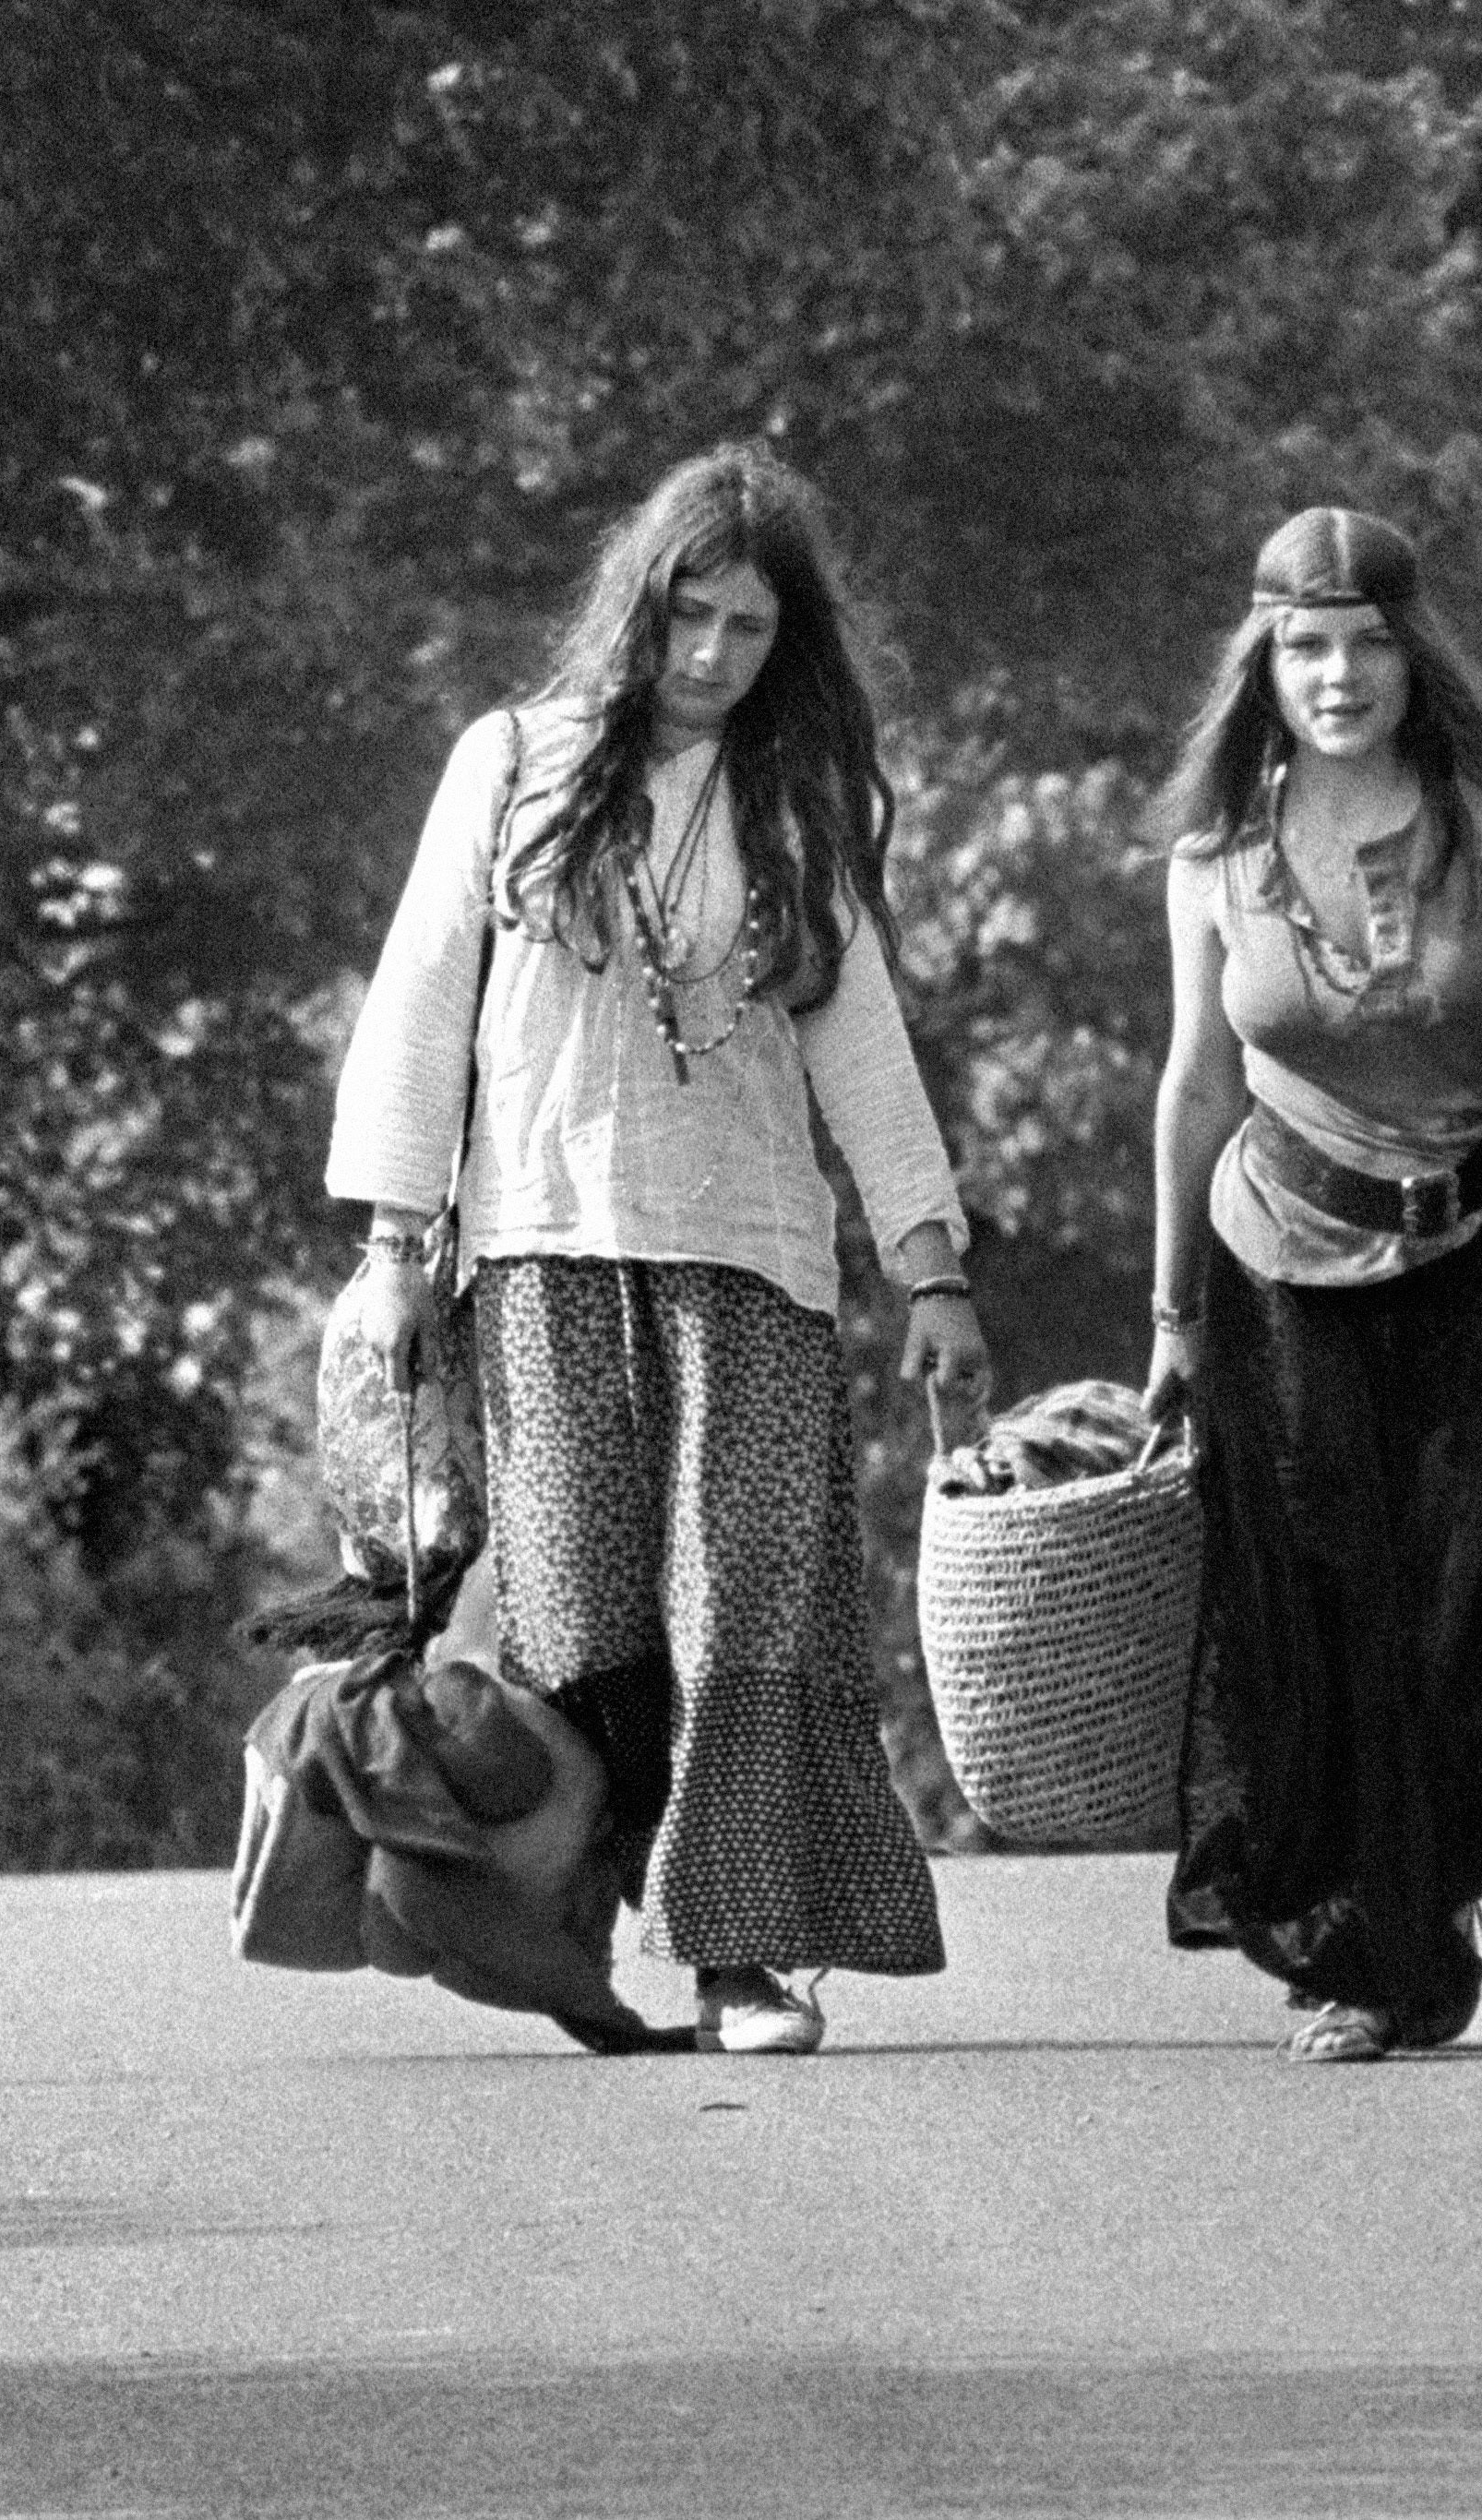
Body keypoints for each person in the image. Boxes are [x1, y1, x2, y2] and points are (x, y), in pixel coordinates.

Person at [325, 444, 990, 2058]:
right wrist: (395, 1251)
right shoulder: (513, 764)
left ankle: (739, 1954)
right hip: (544, 1252)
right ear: (639, 605)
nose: (709, 657)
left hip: (751, 1262)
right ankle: (572, 1914)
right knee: (576, 1614)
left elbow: (863, 1044)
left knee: (743, 1604)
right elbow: (424, 1005)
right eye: (688, 615)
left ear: (789, 645)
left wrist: (934, 1271)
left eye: (749, 630)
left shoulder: (793, 805)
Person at [1143, 504, 1482, 2063]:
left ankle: (1416, 1904)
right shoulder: (1216, 854)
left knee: (1451, 1604)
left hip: (1477, 1261)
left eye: (1368, 642)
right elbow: (1194, 1087)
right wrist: (1167, 1319)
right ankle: (1385, 1949)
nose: (1339, 672)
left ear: (1411, 656)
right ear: (1267, 664)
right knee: (1318, 1607)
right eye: (1307, 646)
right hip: (1276, 1265)